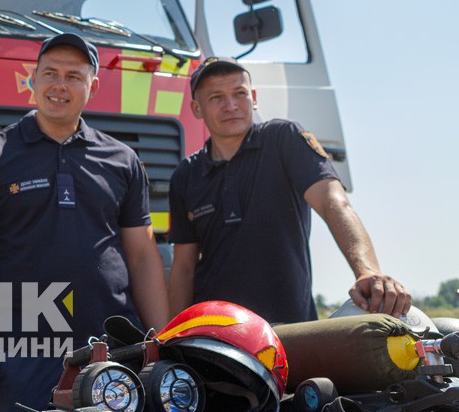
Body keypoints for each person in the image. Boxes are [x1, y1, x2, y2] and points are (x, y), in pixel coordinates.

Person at [0, 33, 169, 412]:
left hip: (112, 353)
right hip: (21, 356)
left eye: (73, 76)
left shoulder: (123, 160)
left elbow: (144, 259)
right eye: (50, 73)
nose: (59, 86)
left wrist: (161, 346)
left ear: (92, 86)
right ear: (32, 79)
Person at [167, 57, 410, 323]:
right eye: (216, 97)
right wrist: (174, 336)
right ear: (196, 108)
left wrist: (366, 271)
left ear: (254, 97)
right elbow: (183, 268)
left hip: (290, 330)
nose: (231, 106)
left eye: (240, 93)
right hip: (215, 333)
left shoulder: (284, 139)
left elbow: (334, 203)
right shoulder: (185, 176)